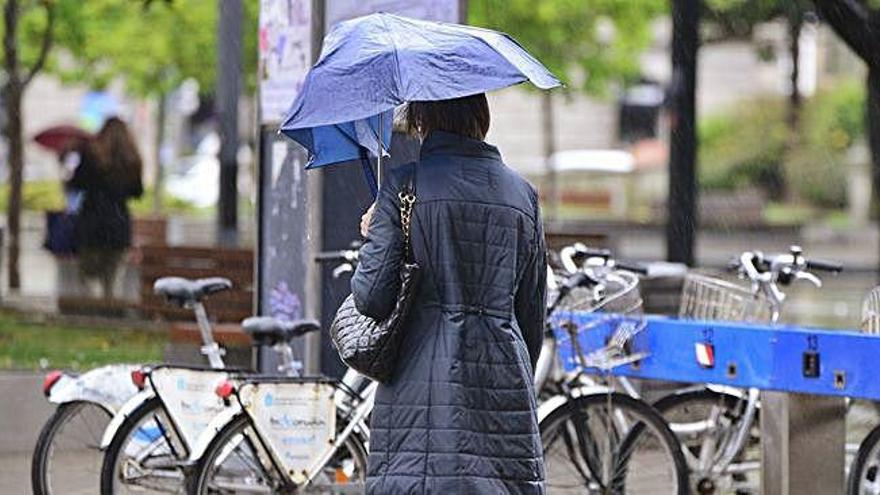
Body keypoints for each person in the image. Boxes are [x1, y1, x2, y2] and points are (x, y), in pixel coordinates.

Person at [351, 93, 547, 494]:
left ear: (422, 119)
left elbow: (371, 297)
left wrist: (374, 238)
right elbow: (531, 316)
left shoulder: (405, 185)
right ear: (481, 116)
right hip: (503, 388)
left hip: (418, 389)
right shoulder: (523, 196)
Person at [69, 117, 144, 299]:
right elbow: (137, 192)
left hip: (92, 224)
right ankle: (109, 311)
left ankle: (89, 314)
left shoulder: (91, 156)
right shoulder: (132, 160)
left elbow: (76, 184)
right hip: (118, 224)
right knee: (111, 281)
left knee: (86, 276)